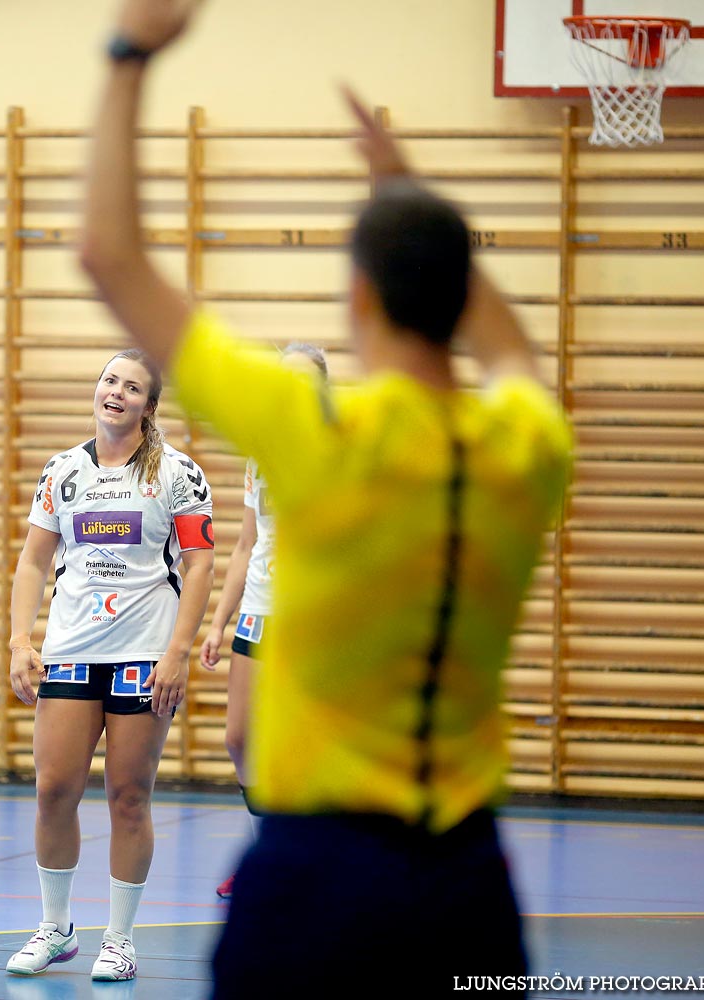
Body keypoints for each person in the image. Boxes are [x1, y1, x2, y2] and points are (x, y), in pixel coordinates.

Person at [77, 2, 573, 996]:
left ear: (358, 297)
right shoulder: (529, 443)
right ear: (457, 291)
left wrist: (129, 58)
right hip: (469, 880)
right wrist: (415, 205)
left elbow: (110, 257)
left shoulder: (316, 430)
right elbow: (511, 348)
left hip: (317, 878)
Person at [5, 348, 215, 982]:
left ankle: (119, 940)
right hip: (72, 652)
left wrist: (178, 650)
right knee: (53, 790)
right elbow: (34, 562)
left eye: (131, 387)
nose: (115, 393)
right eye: (109, 381)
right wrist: (21, 639)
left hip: (144, 655)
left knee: (128, 796)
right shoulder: (62, 472)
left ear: (150, 407)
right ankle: (57, 927)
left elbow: (201, 562)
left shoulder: (177, 473)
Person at [198, 341, 328, 900]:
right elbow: (247, 543)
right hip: (258, 610)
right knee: (240, 737)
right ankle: (265, 855)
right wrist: (219, 620)